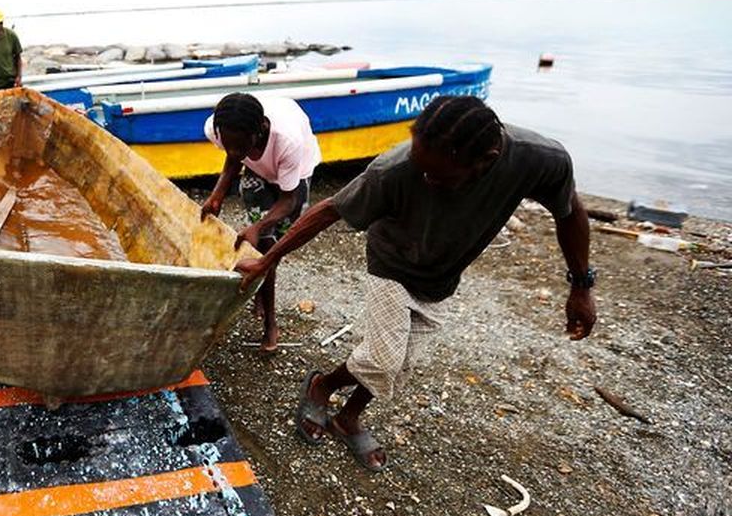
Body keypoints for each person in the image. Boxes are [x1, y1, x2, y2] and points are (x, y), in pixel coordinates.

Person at [235, 96, 597, 472]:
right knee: (382, 357)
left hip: (442, 277)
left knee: (401, 363)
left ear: (486, 161)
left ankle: (348, 417)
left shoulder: (540, 159)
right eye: (419, 166)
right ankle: (321, 386)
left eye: (437, 176)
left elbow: (569, 211)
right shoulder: (394, 170)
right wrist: (267, 259)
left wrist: (581, 286)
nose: (423, 177)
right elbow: (328, 210)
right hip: (392, 261)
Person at [200, 93, 320, 353]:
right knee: (265, 248)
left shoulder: (288, 141)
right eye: (228, 143)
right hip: (258, 171)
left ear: (261, 129)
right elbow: (234, 157)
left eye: (242, 145)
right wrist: (218, 195)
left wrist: (257, 227)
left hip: (294, 179)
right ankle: (268, 318)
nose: (233, 150)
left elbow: (289, 200)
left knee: (275, 247)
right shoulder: (216, 127)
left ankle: (267, 304)